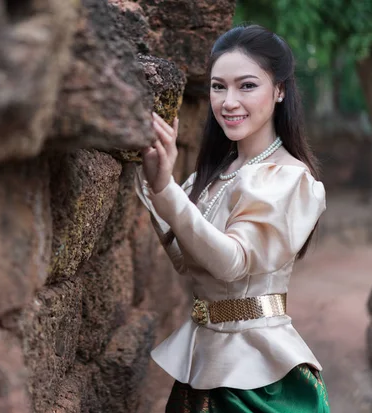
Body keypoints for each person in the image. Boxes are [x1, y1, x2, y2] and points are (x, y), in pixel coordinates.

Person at [135, 24, 330, 412]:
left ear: (279, 91)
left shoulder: (289, 179)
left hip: (259, 380)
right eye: (218, 86)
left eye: (247, 85)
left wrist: (166, 190)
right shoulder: (216, 174)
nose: (228, 101)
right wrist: (154, 179)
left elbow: (232, 263)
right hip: (203, 360)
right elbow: (184, 254)